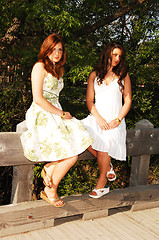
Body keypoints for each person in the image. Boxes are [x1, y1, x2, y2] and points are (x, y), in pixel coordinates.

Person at [21, 34, 94, 207]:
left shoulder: (57, 69)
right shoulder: (39, 67)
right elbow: (38, 98)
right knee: (71, 154)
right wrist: (60, 113)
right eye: (53, 49)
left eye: (60, 49)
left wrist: (61, 114)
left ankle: (49, 168)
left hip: (55, 111)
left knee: (78, 141)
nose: (57, 53)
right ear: (46, 49)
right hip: (42, 113)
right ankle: (50, 190)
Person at [82, 42, 132, 198]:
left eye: (119, 56)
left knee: (104, 145)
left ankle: (101, 186)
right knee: (77, 132)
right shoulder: (94, 75)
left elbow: (128, 100)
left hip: (114, 122)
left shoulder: (123, 76)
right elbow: (89, 100)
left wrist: (117, 120)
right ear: (107, 54)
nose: (117, 58)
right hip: (96, 117)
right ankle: (107, 165)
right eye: (114, 54)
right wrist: (98, 118)